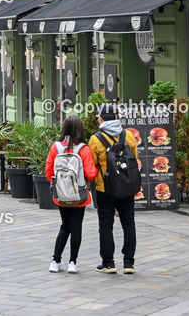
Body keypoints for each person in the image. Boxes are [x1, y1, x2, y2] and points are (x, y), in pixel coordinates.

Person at [89, 103, 139, 274]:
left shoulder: (96, 139)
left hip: (106, 188)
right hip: (126, 186)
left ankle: (108, 263)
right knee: (128, 224)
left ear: (101, 118)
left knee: (106, 224)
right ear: (116, 117)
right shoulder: (129, 135)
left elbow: (92, 164)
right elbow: (134, 159)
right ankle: (129, 263)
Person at [45, 116, 98, 274]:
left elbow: (49, 171)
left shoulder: (55, 147)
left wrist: (61, 185)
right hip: (79, 196)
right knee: (76, 228)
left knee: (64, 226)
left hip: (61, 195)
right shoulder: (84, 149)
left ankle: (55, 260)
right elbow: (90, 173)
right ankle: (72, 263)